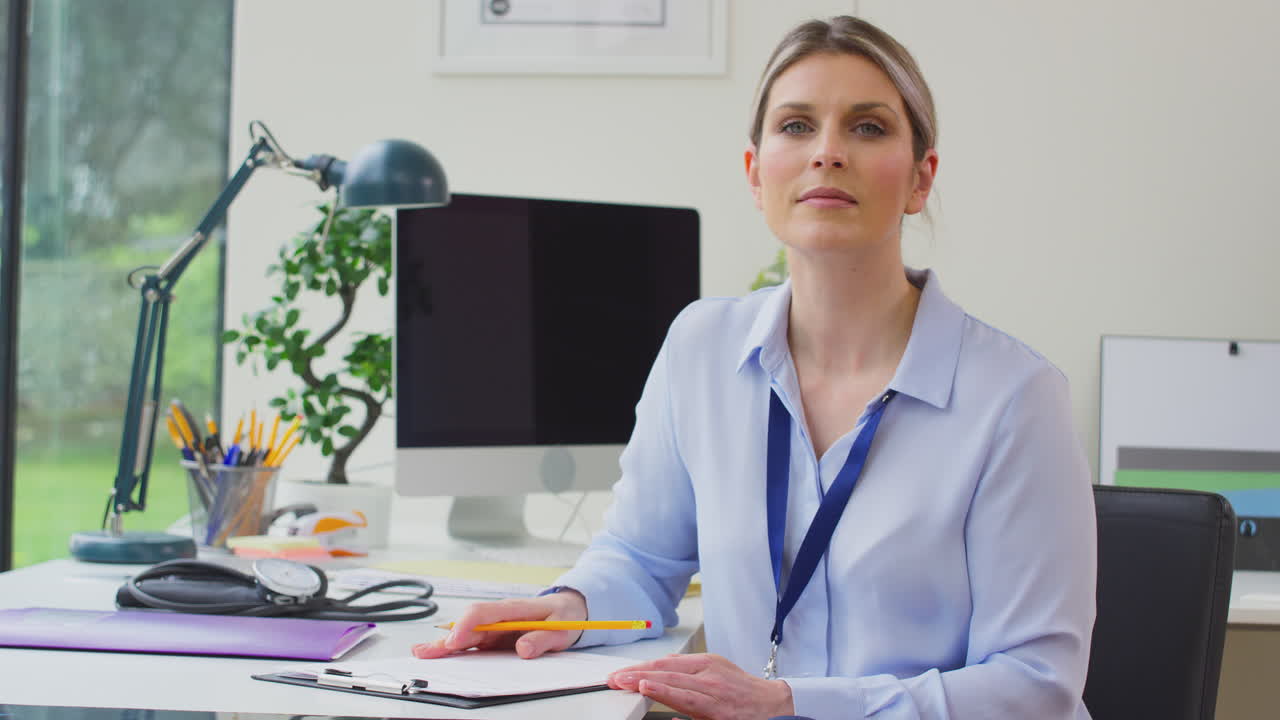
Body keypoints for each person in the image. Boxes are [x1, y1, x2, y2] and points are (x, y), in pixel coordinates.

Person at [413, 15, 1096, 720]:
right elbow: (643, 562)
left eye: (867, 127)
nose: (827, 152)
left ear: (921, 178)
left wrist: (791, 704)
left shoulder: (1016, 398)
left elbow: (1035, 684)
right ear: (754, 173)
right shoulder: (700, 349)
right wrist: (559, 612)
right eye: (797, 125)